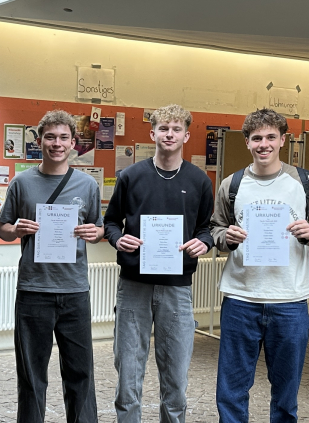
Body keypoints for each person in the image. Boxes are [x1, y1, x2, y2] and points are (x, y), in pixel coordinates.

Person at [209, 108, 309, 423]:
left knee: (286, 390)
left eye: (270, 137)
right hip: (241, 298)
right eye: (256, 138)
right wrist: (228, 237)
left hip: (290, 300)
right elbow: (214, 229)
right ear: (247, 143)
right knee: (232, 389)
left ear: (282, 139)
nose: (263, 144)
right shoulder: (233, 184)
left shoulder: (305, 181)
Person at [103, 104, 214, 423]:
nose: (169, 134)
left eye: (176, 129)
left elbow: (206, 227)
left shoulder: (198, 181)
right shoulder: (130, 176)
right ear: (152, 134)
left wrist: (203, 242)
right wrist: (117, 238)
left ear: (186, 135)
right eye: (163, 129)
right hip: (133, 287)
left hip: (177, 289)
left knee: (176, 381)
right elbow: (111, 222)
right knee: (128, 376)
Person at [0, 110, 103, 423]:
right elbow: (2, 228)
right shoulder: (22, 183)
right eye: (50, 137)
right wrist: (15, 230)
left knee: (80, 374)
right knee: (31, 376)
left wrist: (92, 233)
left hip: (74, 292)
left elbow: (99, 228)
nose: (57, 143)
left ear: (73, 143)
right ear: (39, 140)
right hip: (33, 291)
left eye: (63, 138)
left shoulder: (87, 185)